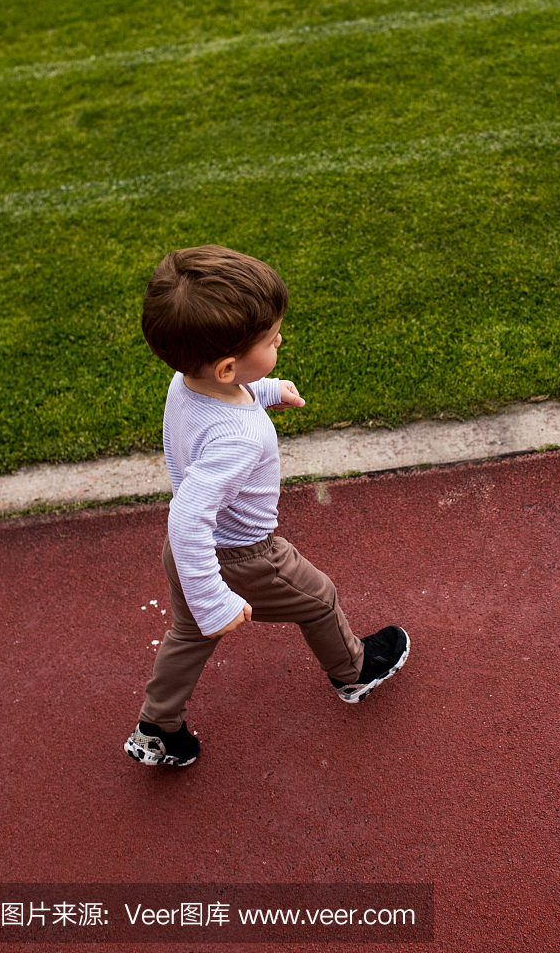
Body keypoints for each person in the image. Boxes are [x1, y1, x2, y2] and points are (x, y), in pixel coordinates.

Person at [124, 245, 409, 767]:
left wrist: (270, 388)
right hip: (245, 556)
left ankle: (157, 728)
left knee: (188, 634)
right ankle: (355, 671)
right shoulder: (241, 436)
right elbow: (190, 514)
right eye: (272, 340)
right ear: (230, 365)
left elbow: (224, 399)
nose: (280, 340)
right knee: (319, 598)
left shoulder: (187, 381)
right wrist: (214, 596)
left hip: (188, 551)